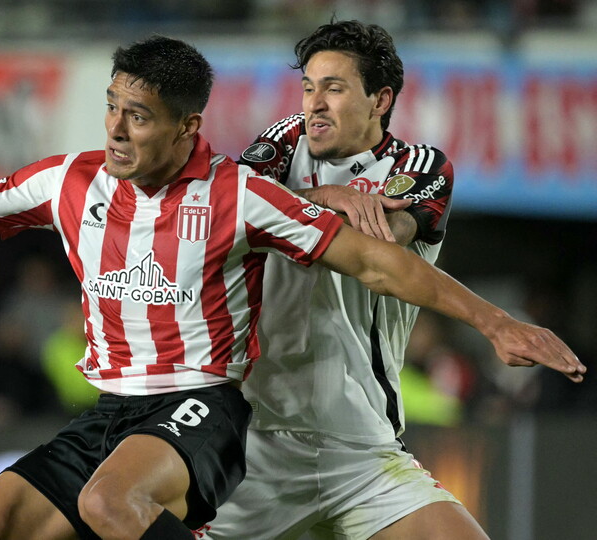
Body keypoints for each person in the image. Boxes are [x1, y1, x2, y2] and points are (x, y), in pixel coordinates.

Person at [0, 36, 584, 540]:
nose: (115, 127)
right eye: (110, 107)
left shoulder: (250, 193)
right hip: (155, 420)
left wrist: (493, 321)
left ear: (186, 127)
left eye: (137, 116)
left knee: (114, 500)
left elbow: (380, 256)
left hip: (231, 414)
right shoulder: (72, 181)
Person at [204, 20, 563, 540]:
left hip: (361, 445)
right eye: (308, 87)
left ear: (380, 99)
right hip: (259, 441)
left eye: (334, 87)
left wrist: (495, 322)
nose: (314, 103)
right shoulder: (285, 141)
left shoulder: (420, 167)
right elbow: (231, 209)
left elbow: (381, 246)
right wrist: (326, 200)